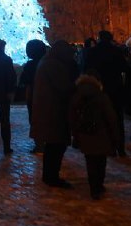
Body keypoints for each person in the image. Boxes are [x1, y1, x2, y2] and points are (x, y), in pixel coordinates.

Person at [32, 40, 78, 188]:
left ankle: (49, 175)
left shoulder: (47, 62)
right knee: (56, 146)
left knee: (53, 146)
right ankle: (51, 176)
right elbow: (64, 87)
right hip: (54, 112)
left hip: (49, 111)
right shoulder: (54, 65)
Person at [70, 73, 119, 200]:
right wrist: (115, 136)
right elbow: (111, 118)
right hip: (102, 134)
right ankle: (99, 185)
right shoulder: (101, 97)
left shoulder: (77, 96)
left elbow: (72, 117)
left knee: (90, 162)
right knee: (101, 161)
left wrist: (75, 134)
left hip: (85, 135)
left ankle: (93, 187)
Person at [82, 30, 129, 156]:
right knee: (118, 119)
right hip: (115, 88)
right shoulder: (116, 51)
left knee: (101, 118)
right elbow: (125, 67)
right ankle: (120, 147)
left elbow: (86, 69)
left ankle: (106, 146)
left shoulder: (93, 52)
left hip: (99, 89)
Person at [21, 39, 47, 152]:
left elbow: (24, 80)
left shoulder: (30, 65)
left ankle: (39, 143)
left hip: (33, 95)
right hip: (46, 96)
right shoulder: (47, 63)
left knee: (34, 118)